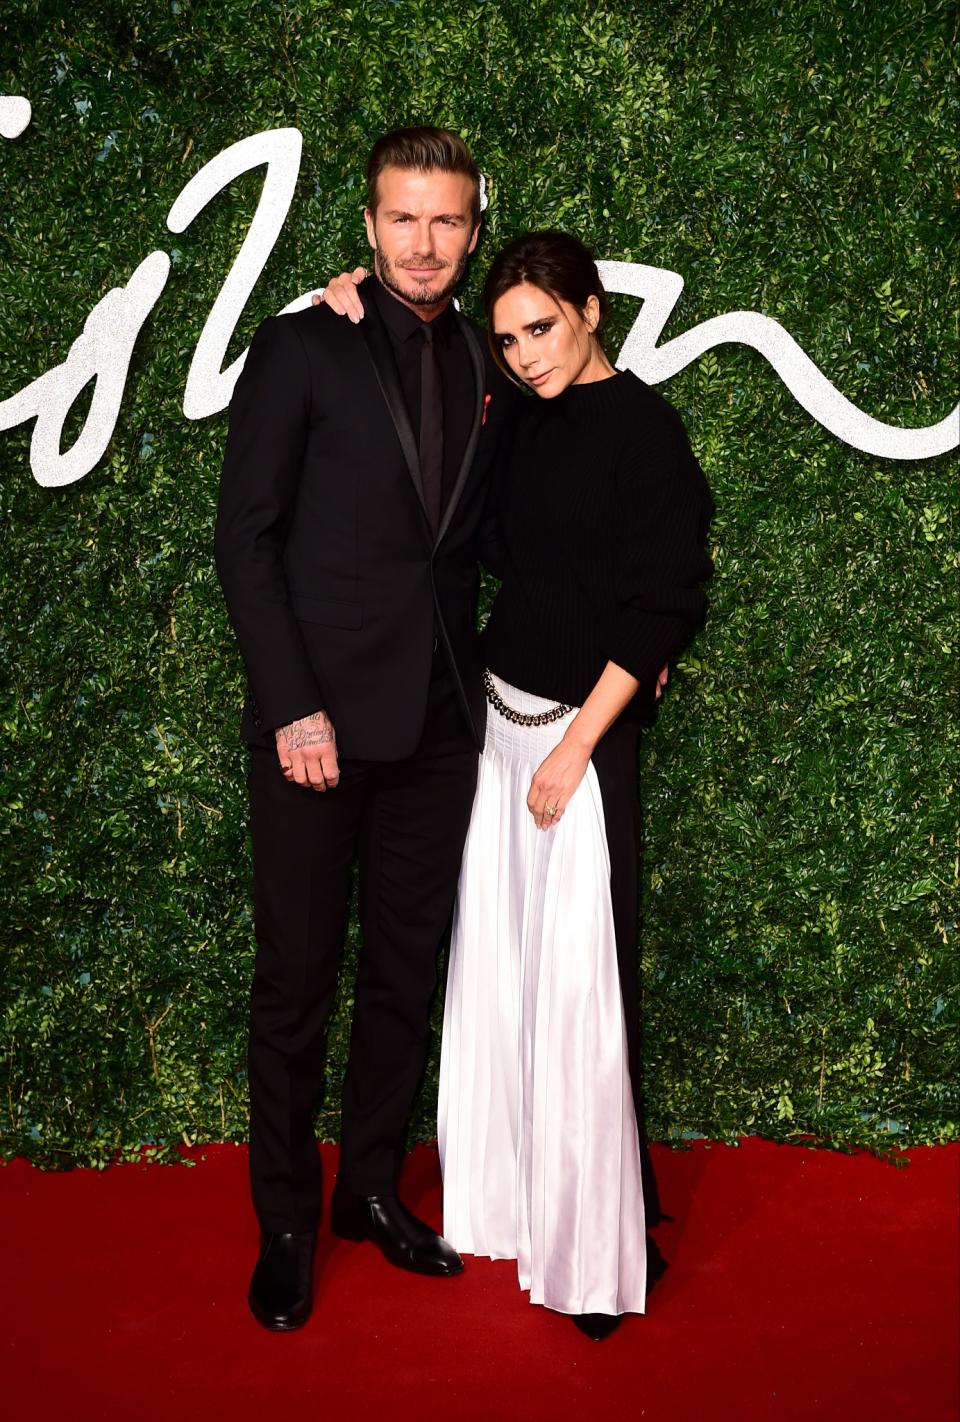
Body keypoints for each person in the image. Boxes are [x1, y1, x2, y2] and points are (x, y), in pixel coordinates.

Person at [321, 230, 714, 1340]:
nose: (526, 353)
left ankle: (596, 1240)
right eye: (507, 338)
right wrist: (346, 306)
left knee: (583, 994)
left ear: (591, 308)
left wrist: (580, 744)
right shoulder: (515, 419)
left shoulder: (646, 429)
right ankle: (510, 1201)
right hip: (495, 727)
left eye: (541, 327)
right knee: (499, 977)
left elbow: (665, 599)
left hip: (571, 747)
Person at [214, 127, 520, 1331]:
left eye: (448, 221)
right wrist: (294, 703)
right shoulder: (299, 347)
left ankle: (373, 1191)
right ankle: (288, 1220)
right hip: (317, 725)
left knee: (404, 974)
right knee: (296, 981)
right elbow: (247, 541)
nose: (427, 243)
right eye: (405, 218)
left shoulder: (495, 364)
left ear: (474, 230)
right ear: (369, 225)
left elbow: (507, 529)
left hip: (442, 720)